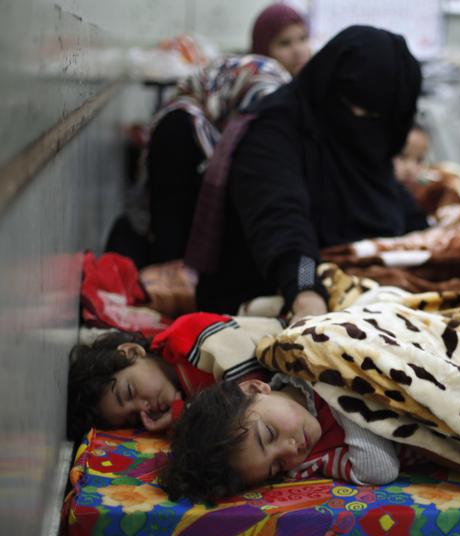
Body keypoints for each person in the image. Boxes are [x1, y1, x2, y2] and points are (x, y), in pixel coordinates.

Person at [186, 26, 428, 321]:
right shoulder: (272, 131)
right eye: (355, 109)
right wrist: (305, 294)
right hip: (268, 289)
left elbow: (388, 195)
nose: (364, 121)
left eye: (376, 115)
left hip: (363, 283)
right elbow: (282, 223)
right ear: (330, 86)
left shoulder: (367, 137)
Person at [145, 55, 290, 265]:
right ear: (235, 93)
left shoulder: (221, 130)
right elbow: (169, 222)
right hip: (176, 268)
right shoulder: (179, 127)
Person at [160, 377, 401, 502]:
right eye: (277, 465)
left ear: (254, 390)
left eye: (270, 434)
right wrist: (338, 392)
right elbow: (379, 470)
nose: (289, 451)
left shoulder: (298, 359)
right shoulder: (313, 460)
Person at [66, 312, 285, 441]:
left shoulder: (187, 338)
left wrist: (187, 414)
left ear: (132, 352)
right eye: (133, 417)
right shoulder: (181, 399)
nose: (144, 409)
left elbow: (252, 393)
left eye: (129, 392)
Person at [250, 3, 312, 77]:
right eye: (284, 43)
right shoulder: (260, 86)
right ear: (263, 50)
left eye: (303, 39)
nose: (298, 51)